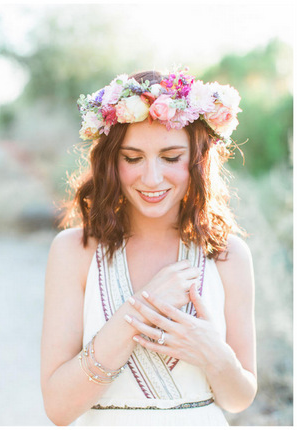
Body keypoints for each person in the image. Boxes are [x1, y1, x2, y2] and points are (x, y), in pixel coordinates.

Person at [40, 70, 256, 425]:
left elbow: (238, 400)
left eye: (170, 158)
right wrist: (138, 312)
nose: (152, 178)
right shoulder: (73, 251)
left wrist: (213, 353)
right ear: (111, 161)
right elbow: (58, 409)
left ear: (198, 160)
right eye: (133, 157)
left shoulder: (229, 255)